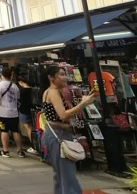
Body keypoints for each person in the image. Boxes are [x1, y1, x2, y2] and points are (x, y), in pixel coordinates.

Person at [42, 66, 96, 194]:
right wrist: (83, 104)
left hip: (59, 134)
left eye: (65, 74)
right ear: (51, 77)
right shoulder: (53, 92)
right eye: (61, 74)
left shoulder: (55, 91)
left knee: (62, 174)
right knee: (67, 174)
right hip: (58, 136)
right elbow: (63, 115)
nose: (65, 77)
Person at [0, 68, 23, 158]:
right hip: (14, 112)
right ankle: (20, 150)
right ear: (10, 75)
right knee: (16, 131)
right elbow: (18, 98)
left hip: (3, 113)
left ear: (1, 75)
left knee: (4, 131)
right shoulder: (15, 86)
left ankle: (5, 150)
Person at [17, 75, 38, 155]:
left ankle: (34, 146)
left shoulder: (22, 91)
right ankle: (37, 145)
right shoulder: (34, 90)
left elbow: (19, 101)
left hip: (24, 111)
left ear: (21, 82)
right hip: (33, 111)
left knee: (29, 128)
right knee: (34, 127)